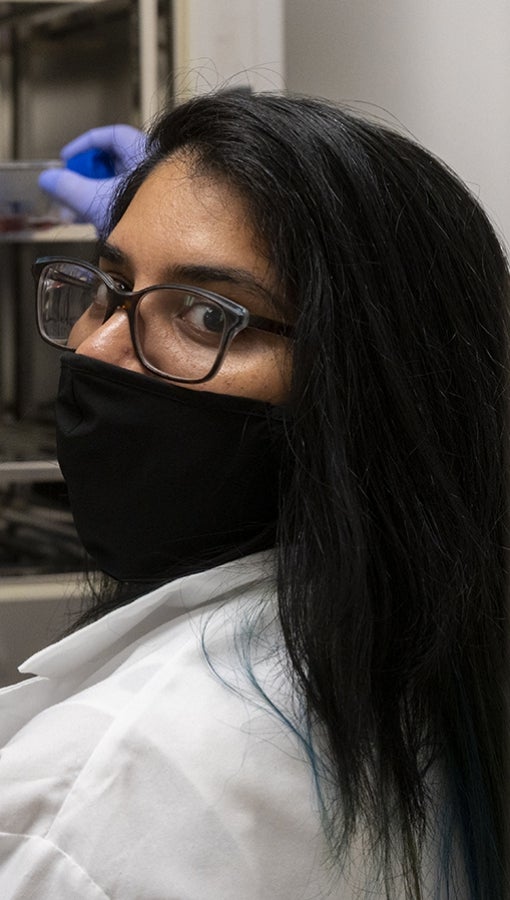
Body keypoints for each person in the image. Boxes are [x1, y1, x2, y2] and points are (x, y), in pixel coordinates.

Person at [0, 89, 508, 899]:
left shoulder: (92, 798)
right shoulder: (435, 664)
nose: (96, 347)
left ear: (364, 391)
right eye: (110, 284)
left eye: (206, 314)